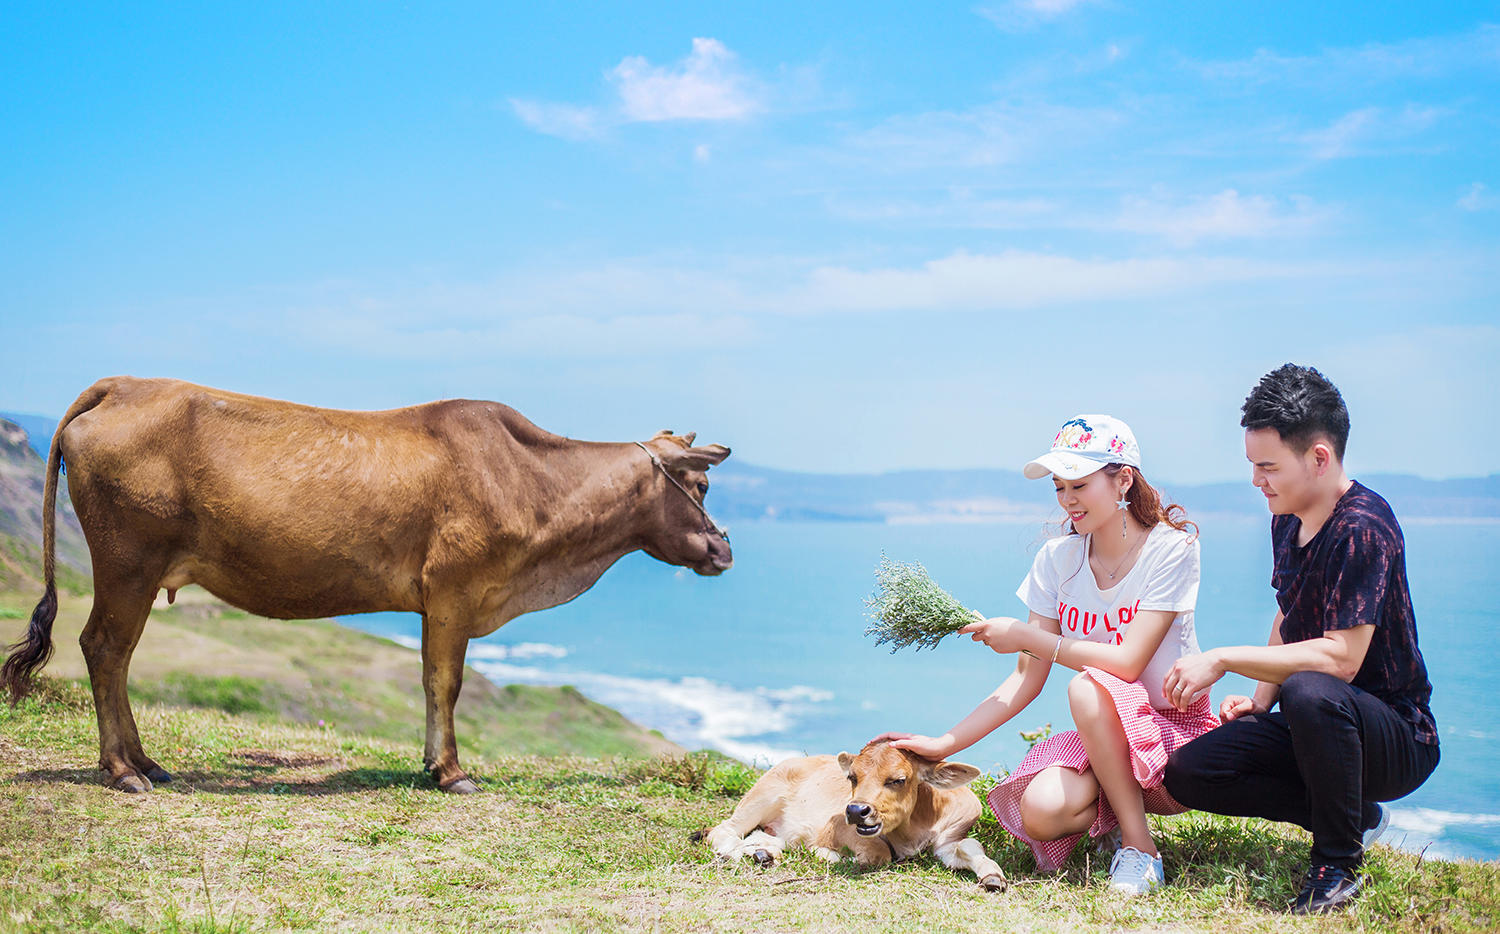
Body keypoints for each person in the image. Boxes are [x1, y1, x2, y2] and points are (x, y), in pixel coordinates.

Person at [876, 414, 1216, 895]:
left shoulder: (1172, 550)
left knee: (1089, 683)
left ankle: (1140, 850)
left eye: (1078, 484)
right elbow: (1024, 681)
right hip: (1104, 736)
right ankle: (1117, 819)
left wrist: (1026, 636)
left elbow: (1127, 663)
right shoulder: (1057, 560)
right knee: (1039, 812)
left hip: (1172, 734)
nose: (1067, 499)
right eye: (1059, 487)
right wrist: (944, 744)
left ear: (1123, 479)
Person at [1162, 364, 1439, 915]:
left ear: (1318, 457)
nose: (1257, 480)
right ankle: (1354, 815)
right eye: (1253, 466)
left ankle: (1337, 864)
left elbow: (1340, 658)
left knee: (1310, 689)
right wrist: (1259, 703)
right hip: (1316, 724)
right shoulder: (1286, 518)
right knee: (1189, 774)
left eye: (1268, 466)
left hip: (1396, 736)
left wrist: (1221, 660)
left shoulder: (1364, 525)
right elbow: (1289, 612)